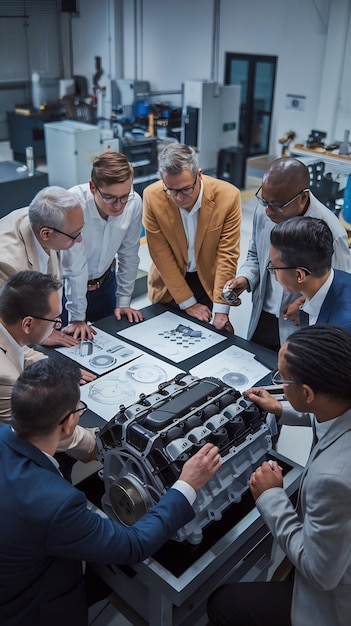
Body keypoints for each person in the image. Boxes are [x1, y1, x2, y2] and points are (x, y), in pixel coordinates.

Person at [0, 357, 221, 626]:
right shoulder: (57, 504)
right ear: (69, 424)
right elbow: (133, 545)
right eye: (79, 409)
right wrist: (186, 485)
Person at [207, 324, 351, 626]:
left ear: (308, 393)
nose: (279, 385)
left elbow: (319, 573)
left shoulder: (334, 479)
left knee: (222, 602)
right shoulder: (340, 398)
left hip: (332, 602)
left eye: (282, 380)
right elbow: (325, 416)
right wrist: (281, 408)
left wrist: (272, 497)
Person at [223, 157, 350, 350]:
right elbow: (255, 255)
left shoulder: (332, 232)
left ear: (303, 198)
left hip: (299, 326)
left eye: (276, 205)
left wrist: (303, 305)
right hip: (263, 315)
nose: (267, 211)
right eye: (264, 201)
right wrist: (246, 277)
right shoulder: (265, 211)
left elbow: (337, 288)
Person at [143, 143, 242, 333]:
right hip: (168, 283)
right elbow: (160, 253)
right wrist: (187, 302)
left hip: (206, 281)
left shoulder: (228, 197)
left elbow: (227, 255)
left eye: (186, 189)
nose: (179, 198)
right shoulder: (152, 196)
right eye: (172, 190)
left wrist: (222, 309)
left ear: (200, 175)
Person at [0, 270, 96, 461]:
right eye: (54, 320)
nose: (58, 326)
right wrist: (95, 444)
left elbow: (22, 351)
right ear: (27, 324)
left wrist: (59, 372)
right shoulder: (6, 377)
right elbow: (41, 430)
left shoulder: (7, 327)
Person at [61, 151, 144, 341]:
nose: (118, 205)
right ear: (92, 187)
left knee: (111, 343)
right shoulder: (73, 204)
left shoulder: (133, 202)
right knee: (70, 351)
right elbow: (75, 268)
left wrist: (123, 301)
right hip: (68, 292)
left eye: (124, 196)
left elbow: (129, 255)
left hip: (106, 285)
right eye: (109, 197)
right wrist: (77, 318)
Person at [0, 185, 92, 347]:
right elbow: (5, 335)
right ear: (46, 233)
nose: (80, 240)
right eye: (74, 235)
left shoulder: (43, 218)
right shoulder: (9, 265)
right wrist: (39, 337)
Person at [269, 216, 351, 333]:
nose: (272, 271)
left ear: (299, 275)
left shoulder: (340, 329)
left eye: (274, 267)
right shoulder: (339, 279)